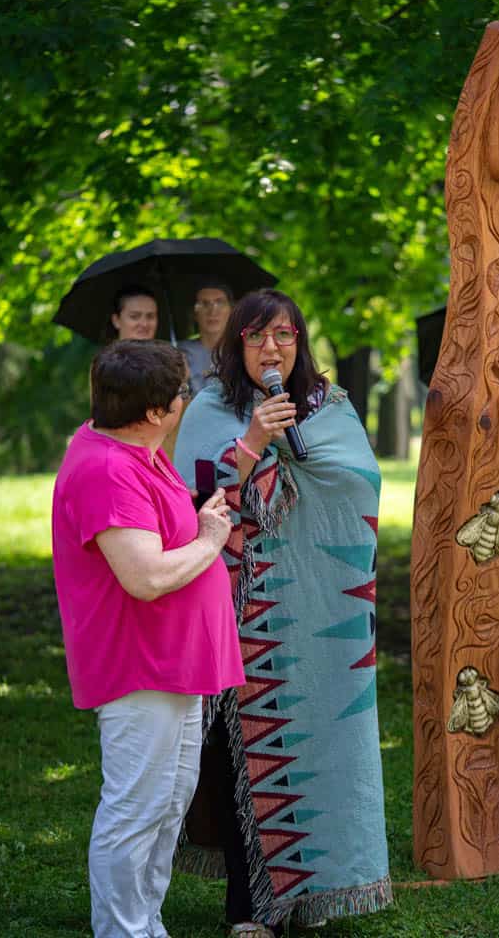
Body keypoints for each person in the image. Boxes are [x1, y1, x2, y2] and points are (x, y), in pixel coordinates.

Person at [174, 290, 393, 937]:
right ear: (234, 344)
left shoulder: (331, 409)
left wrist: (295, 458)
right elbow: (194, 502)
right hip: (242, 618)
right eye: (255, 337)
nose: (270, 348)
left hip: (325, 619)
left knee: (324, 745)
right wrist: (253, 441)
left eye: (282, 334)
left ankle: (309, 893)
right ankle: (250, 909)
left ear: (299, 341)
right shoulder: (212, 407)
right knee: (251, 752)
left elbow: (360, 486)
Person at [51, 340, 245, 937]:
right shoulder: (108, 469)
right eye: (182, 392)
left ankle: (143, 924)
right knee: (136, 809)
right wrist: (212, 539)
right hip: (140, 666)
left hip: (173, 663)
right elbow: (146, 576)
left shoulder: (136, 447)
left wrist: (193, 516)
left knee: (164, 808)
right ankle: (122, 931)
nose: (188, 400)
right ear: (156, 410)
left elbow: (154, 534)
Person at [178, 280, 233, 394]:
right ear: (194, 313)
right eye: (204, 303)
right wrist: (182, 383)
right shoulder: (180, 353)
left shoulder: (243, 351)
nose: (213, 311)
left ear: (232, 309)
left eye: (220, 302)